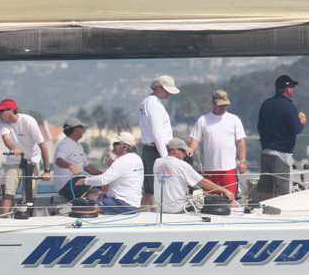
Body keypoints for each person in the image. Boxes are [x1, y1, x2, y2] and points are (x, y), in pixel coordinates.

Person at [188, 89, 247, 201]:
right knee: (210, 201)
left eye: (225, 105)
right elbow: (195, 140)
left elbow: (241, 141)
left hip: (229, 169)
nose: (223, 107)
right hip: (209, 169)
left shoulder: (234, 119)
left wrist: (242, 161)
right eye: (220, 105)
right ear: (214, 103)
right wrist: (189, 153)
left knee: (231, 199)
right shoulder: (203, 120)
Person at [0, 98, 50, 214]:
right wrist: (14, 149)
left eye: (1, 111)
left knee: (30, 196)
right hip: (14, 161)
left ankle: (28, 218)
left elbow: (43, 146)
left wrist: (47, 171)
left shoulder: (29, 121)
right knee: (8, 195)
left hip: (32, 160)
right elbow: (6, 138)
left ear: (11, 111)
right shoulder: (2, 122)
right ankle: (2, 220)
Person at [255, 74, 306, 200]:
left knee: (266, 191)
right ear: (287, 89)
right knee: (282, 192)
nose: (294, 89)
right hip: (282, 155)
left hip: (266, 153)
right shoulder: (289, 106)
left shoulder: (266, 104)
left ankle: (264, 211)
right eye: (292, 87)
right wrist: (302, 122)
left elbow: (259, 127)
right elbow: (296, 129)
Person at [155, 137, 235, 213]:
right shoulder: (181, 164)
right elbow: (202, 182)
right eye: (184, 151)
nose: (185, 155)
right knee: (221, 206)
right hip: (178, 209)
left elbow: (173, 182)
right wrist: (224, 190)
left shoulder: (157, 162)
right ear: (175, 150)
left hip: (161, 209)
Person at [138, 75, 179, 207]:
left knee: (150, 188)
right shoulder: (154, 104)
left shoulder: (146, 102)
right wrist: (165, 157)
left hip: (151, 149)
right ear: (158, 88)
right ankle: (151, 214)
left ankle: (146, 213)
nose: (169, 94)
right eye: (166, 90)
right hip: (157, 151)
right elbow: (157, 133)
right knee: (154, 189)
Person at [81, 131, 144, 214]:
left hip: (122, 204)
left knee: (85, 206)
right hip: (134, 204)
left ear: (125, 147)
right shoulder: (137, 158)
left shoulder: (121, 161)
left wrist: (84, 181)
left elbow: (103, 180)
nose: (113, 146)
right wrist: (112, 165)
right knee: (93, 196)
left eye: (115, 144)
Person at [53, 117, 102, 200]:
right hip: (67, 185)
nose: (83, 130)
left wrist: (104, 174)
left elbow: (87, 167)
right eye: (82, 128)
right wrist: (70, 166)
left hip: (78, 181)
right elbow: (59, 160)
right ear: (76, 130)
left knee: (104, 183)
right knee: (97, 189)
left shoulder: (78, 146)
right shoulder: (65, 144)